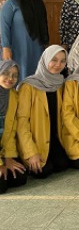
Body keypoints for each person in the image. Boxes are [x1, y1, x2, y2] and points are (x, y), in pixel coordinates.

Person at [16, 45, 69, 178]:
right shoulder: (28, 86)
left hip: (55, 139)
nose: (58, 64)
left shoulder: (60, 84)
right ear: (45, 60)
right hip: (36, 142)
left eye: (63, 61)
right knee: (44, 172)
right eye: (54, 60)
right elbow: (21, 123)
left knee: (62, 165)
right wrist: (30, 152)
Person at [1, 0, 48, 78]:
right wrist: (6, 47)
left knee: (35, 74)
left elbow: (43, 26)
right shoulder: (11, 4)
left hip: (36, 47)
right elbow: (4, 27)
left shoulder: (39, 4)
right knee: (17, 74)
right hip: (17, 47)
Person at [0, 60, 27, 193]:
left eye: (14, 75)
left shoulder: (14, 96)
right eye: (5, 73)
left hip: (3, 150)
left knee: (19, 178)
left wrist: (8, 158)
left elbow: (11, 131)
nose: (10, 78)